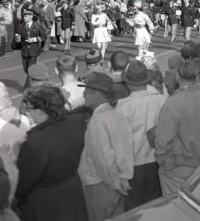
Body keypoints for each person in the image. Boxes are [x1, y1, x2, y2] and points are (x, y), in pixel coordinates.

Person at [16, 85, 88, 221]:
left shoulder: (35, 142)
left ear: (40, 111)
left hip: (47, 202)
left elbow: (24, 182)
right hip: (73, 190)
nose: (26, 112)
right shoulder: (76, 123)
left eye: (28, 108)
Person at [155, 58, 200, 195]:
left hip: (178, 166)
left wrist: (161, 161)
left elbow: (163, 140)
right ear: (196, 76)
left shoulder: (173, 103)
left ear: (177, 76)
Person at [78, 72, 133, 221]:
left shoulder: (98, 120)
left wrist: (114, 183)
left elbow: (102, 159)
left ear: (97, 94)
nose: (83, 94)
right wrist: (121, 180)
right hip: (117, 182)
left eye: (87, 91)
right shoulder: (118, 116)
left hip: (101, 185)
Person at [116, 61, 166, 211]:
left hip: (133, 165)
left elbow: (121, 143)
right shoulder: (161, 100)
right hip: (156, 161)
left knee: (133, 210)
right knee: (154, 208)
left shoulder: (122, 107)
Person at [18, 10, 45, 84]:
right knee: (26, 69)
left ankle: (32, 86)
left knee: (30, 69)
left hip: (34, 50)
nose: (24, 18)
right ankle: (36, 81)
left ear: (31, 16)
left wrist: (34, 39)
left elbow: (44, 37)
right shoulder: (21, 26)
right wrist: (17, 39)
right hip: (24, 50)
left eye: (26, 16)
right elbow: (18, 38)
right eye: (24, 16)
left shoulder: (37, 25)